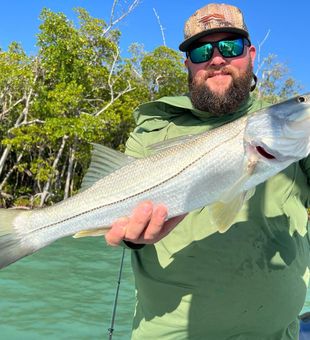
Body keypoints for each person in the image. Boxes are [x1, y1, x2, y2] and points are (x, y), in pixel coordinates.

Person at [104, 4, 310, 339]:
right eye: (201, 50)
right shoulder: (150, 133)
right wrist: (134, 238)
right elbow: (124, 227)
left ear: (251, 54)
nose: (216, 59)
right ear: (188, 63)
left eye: (231, 46)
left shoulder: (293, 139)